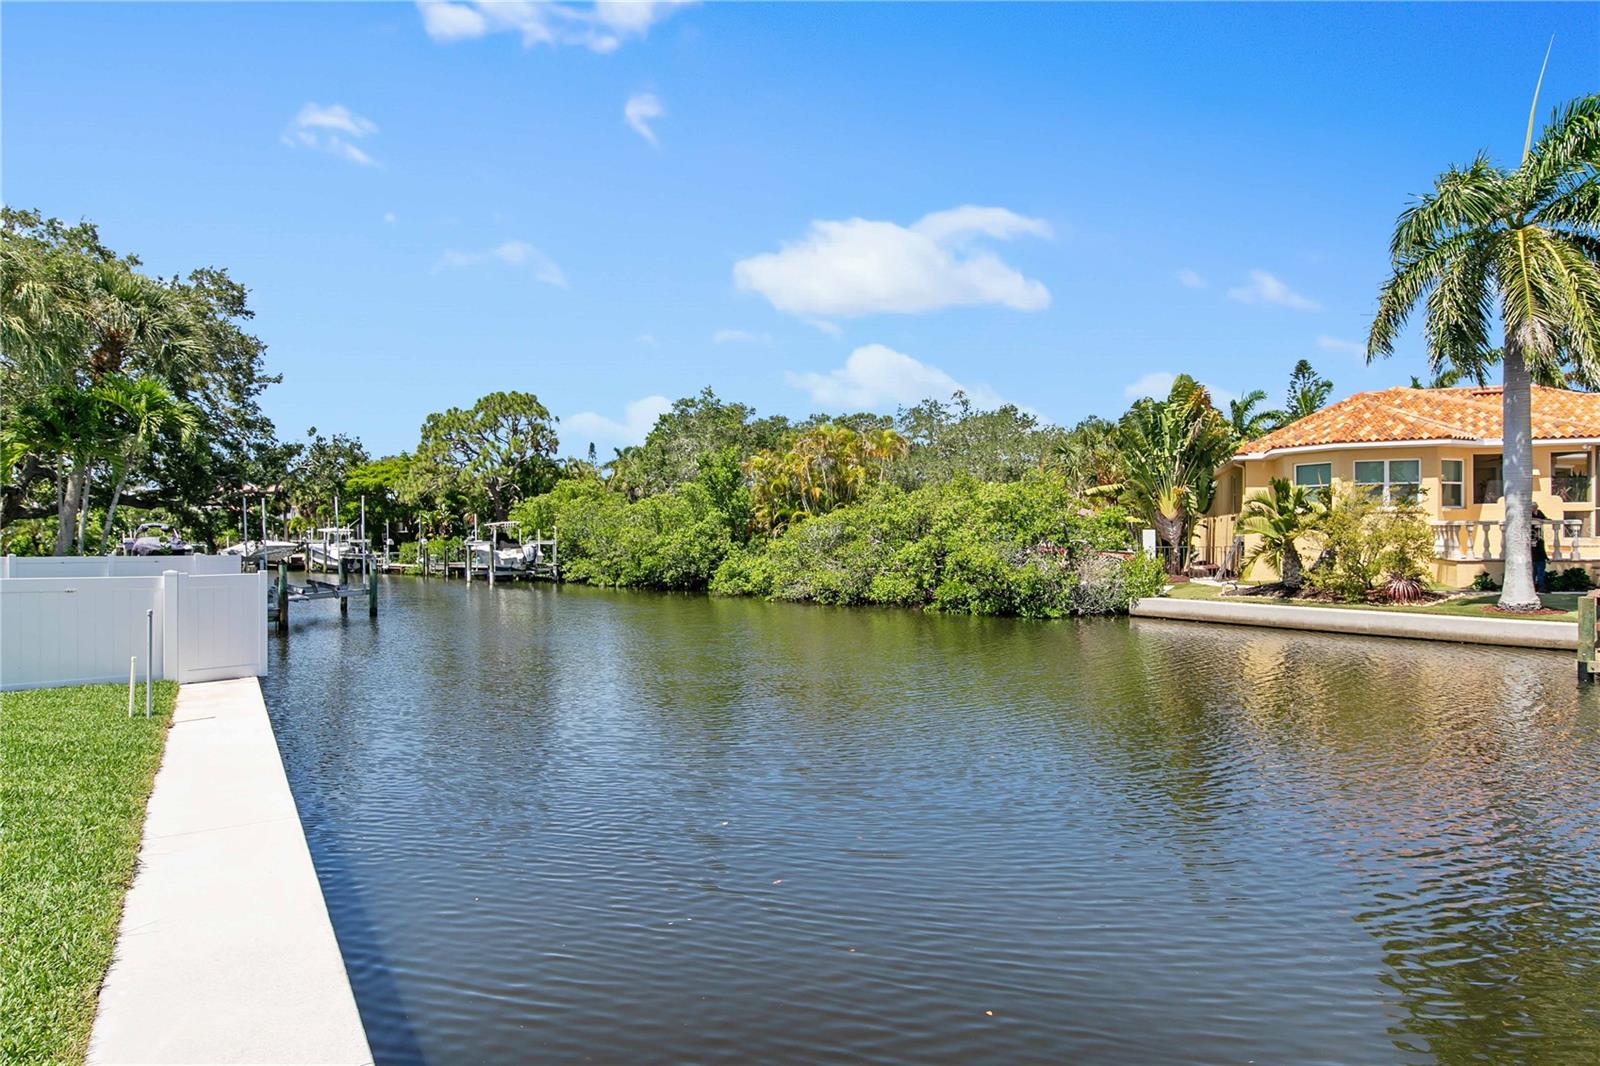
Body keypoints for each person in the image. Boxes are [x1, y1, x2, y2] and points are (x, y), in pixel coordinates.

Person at [1531, 505, 1550, 593]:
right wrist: (1546, 558)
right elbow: (1542, 551)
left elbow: (1544, 519)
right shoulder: (1537, 541)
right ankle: (1539, 587)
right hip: (1537, 560)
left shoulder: (1537, 541)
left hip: (1537, 559)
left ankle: (1538, 587)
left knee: (1537, 574)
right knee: (1538, 574)